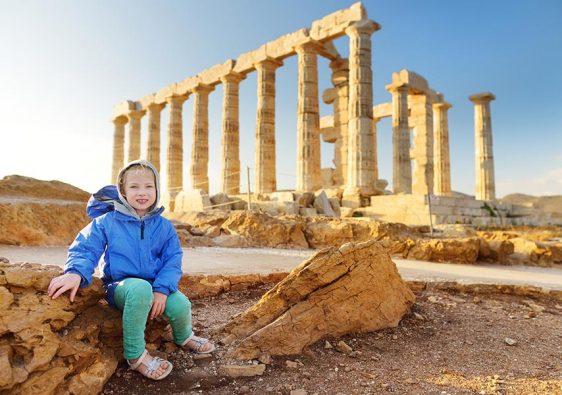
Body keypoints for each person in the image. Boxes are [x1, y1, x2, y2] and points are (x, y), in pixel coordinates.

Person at [47, 159, 214, 380]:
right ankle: (136, 356)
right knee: (139, 289)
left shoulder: (164, 226)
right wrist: (75, 272)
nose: (142, 192)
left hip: (155, 288)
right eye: (134, 187)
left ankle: (184, 336)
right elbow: (86, 246)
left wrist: (162, 290)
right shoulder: (107, 221)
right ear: (123, 191)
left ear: (157, 190)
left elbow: (173, 259)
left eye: (148, 186)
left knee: (181, 303)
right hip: (120, 288)